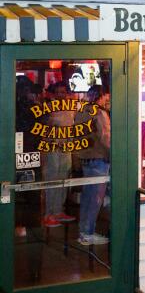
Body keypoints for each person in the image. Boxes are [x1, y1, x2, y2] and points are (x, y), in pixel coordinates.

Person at [76, 86, 110, 247]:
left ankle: (83, 232)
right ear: (101, 96)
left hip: (85, 159)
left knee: (87, 197)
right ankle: (88, 234)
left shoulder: (82, 111)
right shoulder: (99, 113)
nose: (107, 100)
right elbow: (105, 138)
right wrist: (114, 155)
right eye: (106, 97)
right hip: (98, 158)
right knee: (95, 199)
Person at [41, 82, 76, 227]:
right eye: (58, 92)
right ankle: (48, 214)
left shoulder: (70, 109)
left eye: (64, 92)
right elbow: (42, 130)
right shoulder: (48, 109)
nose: (61, 94)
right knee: (52, 179)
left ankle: (58, 211)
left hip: (66, 148)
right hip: (52, 147)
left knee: (63, 179)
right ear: (53, 94)